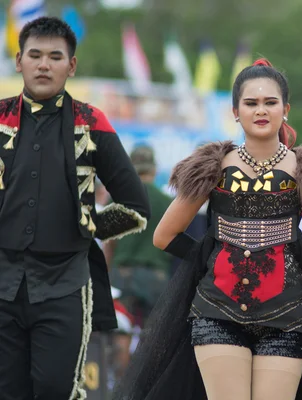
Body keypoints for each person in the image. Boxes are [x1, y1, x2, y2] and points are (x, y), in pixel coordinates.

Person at [112, 58, 302, 400]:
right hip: (216, 311)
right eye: (251, 103)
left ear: (285, 109)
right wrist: (211, 259)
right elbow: (164, 236)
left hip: (288, 315)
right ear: (236, 111)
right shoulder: (212, 165)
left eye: (270, 102)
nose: (260, 110)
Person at [0, 17, 150, 399]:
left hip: (65, 284)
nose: (44, 65)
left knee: (56, 389)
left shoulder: (91, 121)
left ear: (72, 65)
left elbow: (135, 205)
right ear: (19, 61)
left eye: (55, 56)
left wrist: (88, 227)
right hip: (1, 280)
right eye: (35, 55)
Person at [107, 145, 173, 328]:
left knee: (121, 330)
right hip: (156, 277)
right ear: (154, 169)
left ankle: (121, 357)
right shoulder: (168, 203)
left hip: (122, 275)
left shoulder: (116, 198)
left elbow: (109, 242)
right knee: (152, 335)